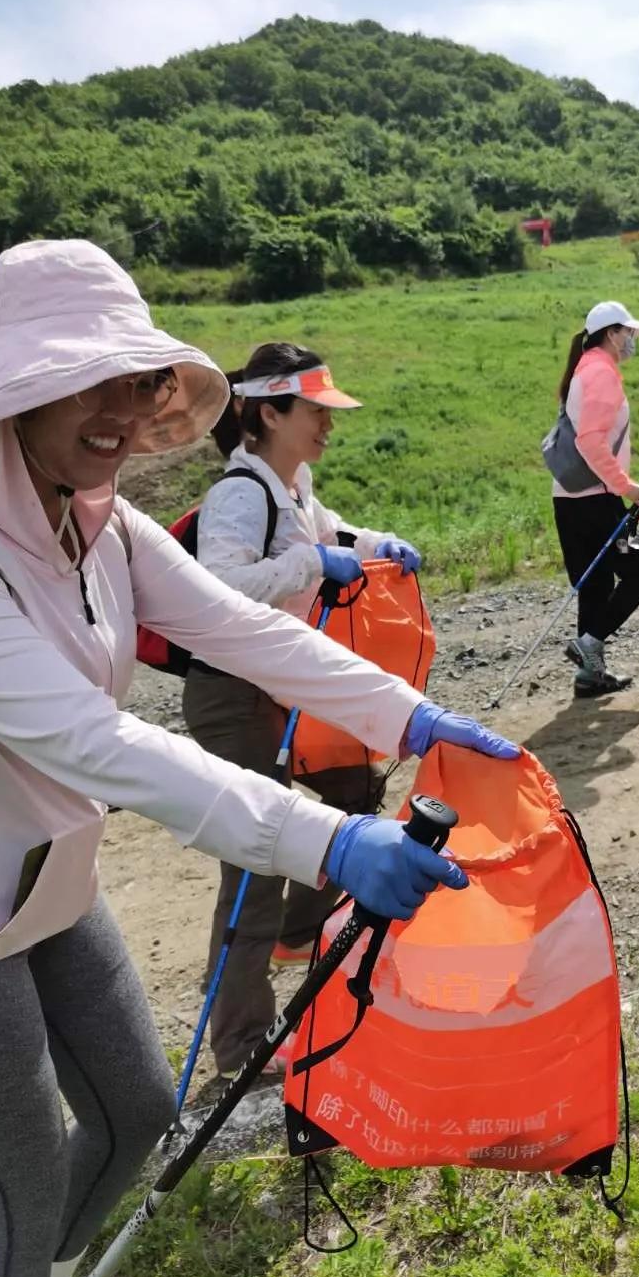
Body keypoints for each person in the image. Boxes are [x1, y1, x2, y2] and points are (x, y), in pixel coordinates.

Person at [0, 239, 518, 1277]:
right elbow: (96, 742)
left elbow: (244, 629)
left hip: (48, 879)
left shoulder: (104, 527)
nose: (119, 411)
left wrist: (408, 715)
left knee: (135, 1116)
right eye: (87, 382)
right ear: (17, 394)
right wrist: (328, 838)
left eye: (136, 381)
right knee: (17, 1196)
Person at [184, 340, 424, 1079]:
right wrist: (313, 564)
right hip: (230, 695)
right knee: (256, 858)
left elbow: (327, 528)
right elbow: (218, 585)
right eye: (314, 410)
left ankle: (298, 931)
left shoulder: (292, 483)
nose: (327, 423)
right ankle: (241, 1043)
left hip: (278, 685)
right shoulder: (238, 494)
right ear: (268, 413)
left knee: (355, 789)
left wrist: (377, 544)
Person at [551, 301, 639, 697]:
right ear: (612, 334)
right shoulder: (600, 372)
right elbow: (591, 440)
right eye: (628, 332)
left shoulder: (587, 368)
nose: (632, 339)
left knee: (595, 585)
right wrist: (628, 488)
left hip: (571, 498)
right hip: (596, 499)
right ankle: (589, 643)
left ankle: (589, 675)